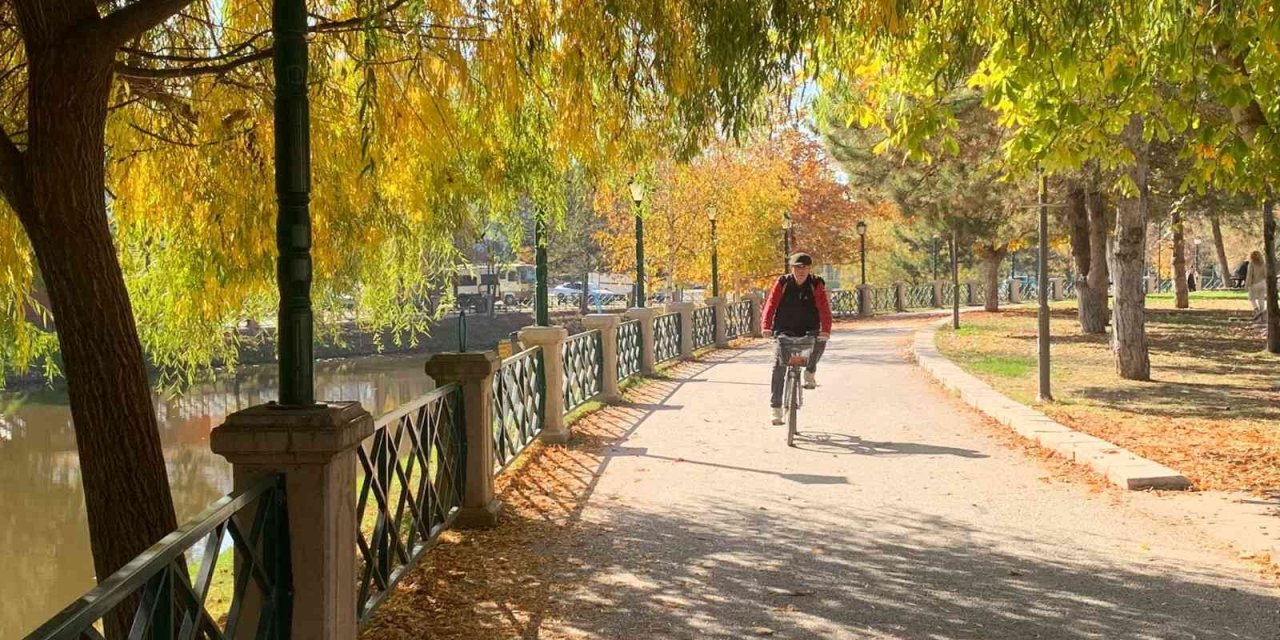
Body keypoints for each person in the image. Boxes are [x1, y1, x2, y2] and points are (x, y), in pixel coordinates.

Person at [761, 253, 832, 425]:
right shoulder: (783, 283)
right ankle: (776, 409)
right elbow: (770, 304)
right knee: (779, 366)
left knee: (820, 342)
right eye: (797, 267)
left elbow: (824, 307)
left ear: (809, 269)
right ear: (791, 268)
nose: (801, 271)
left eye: (804, 267)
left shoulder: (816, 283)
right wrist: (766, 326)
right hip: (784, 328)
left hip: (809, 327)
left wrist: (826, 330)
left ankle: (810, 371)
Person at [1246, 250, 1267, 324]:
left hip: (1254, 283)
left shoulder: (1251, 264)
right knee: (1261, 299)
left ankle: (1256, 310)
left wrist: (1247, 285)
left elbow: (1249, 275)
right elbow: (1265, 274)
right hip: (1263, 283)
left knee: (1252, 298)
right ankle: (1262, 316)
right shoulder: (1263, 264)